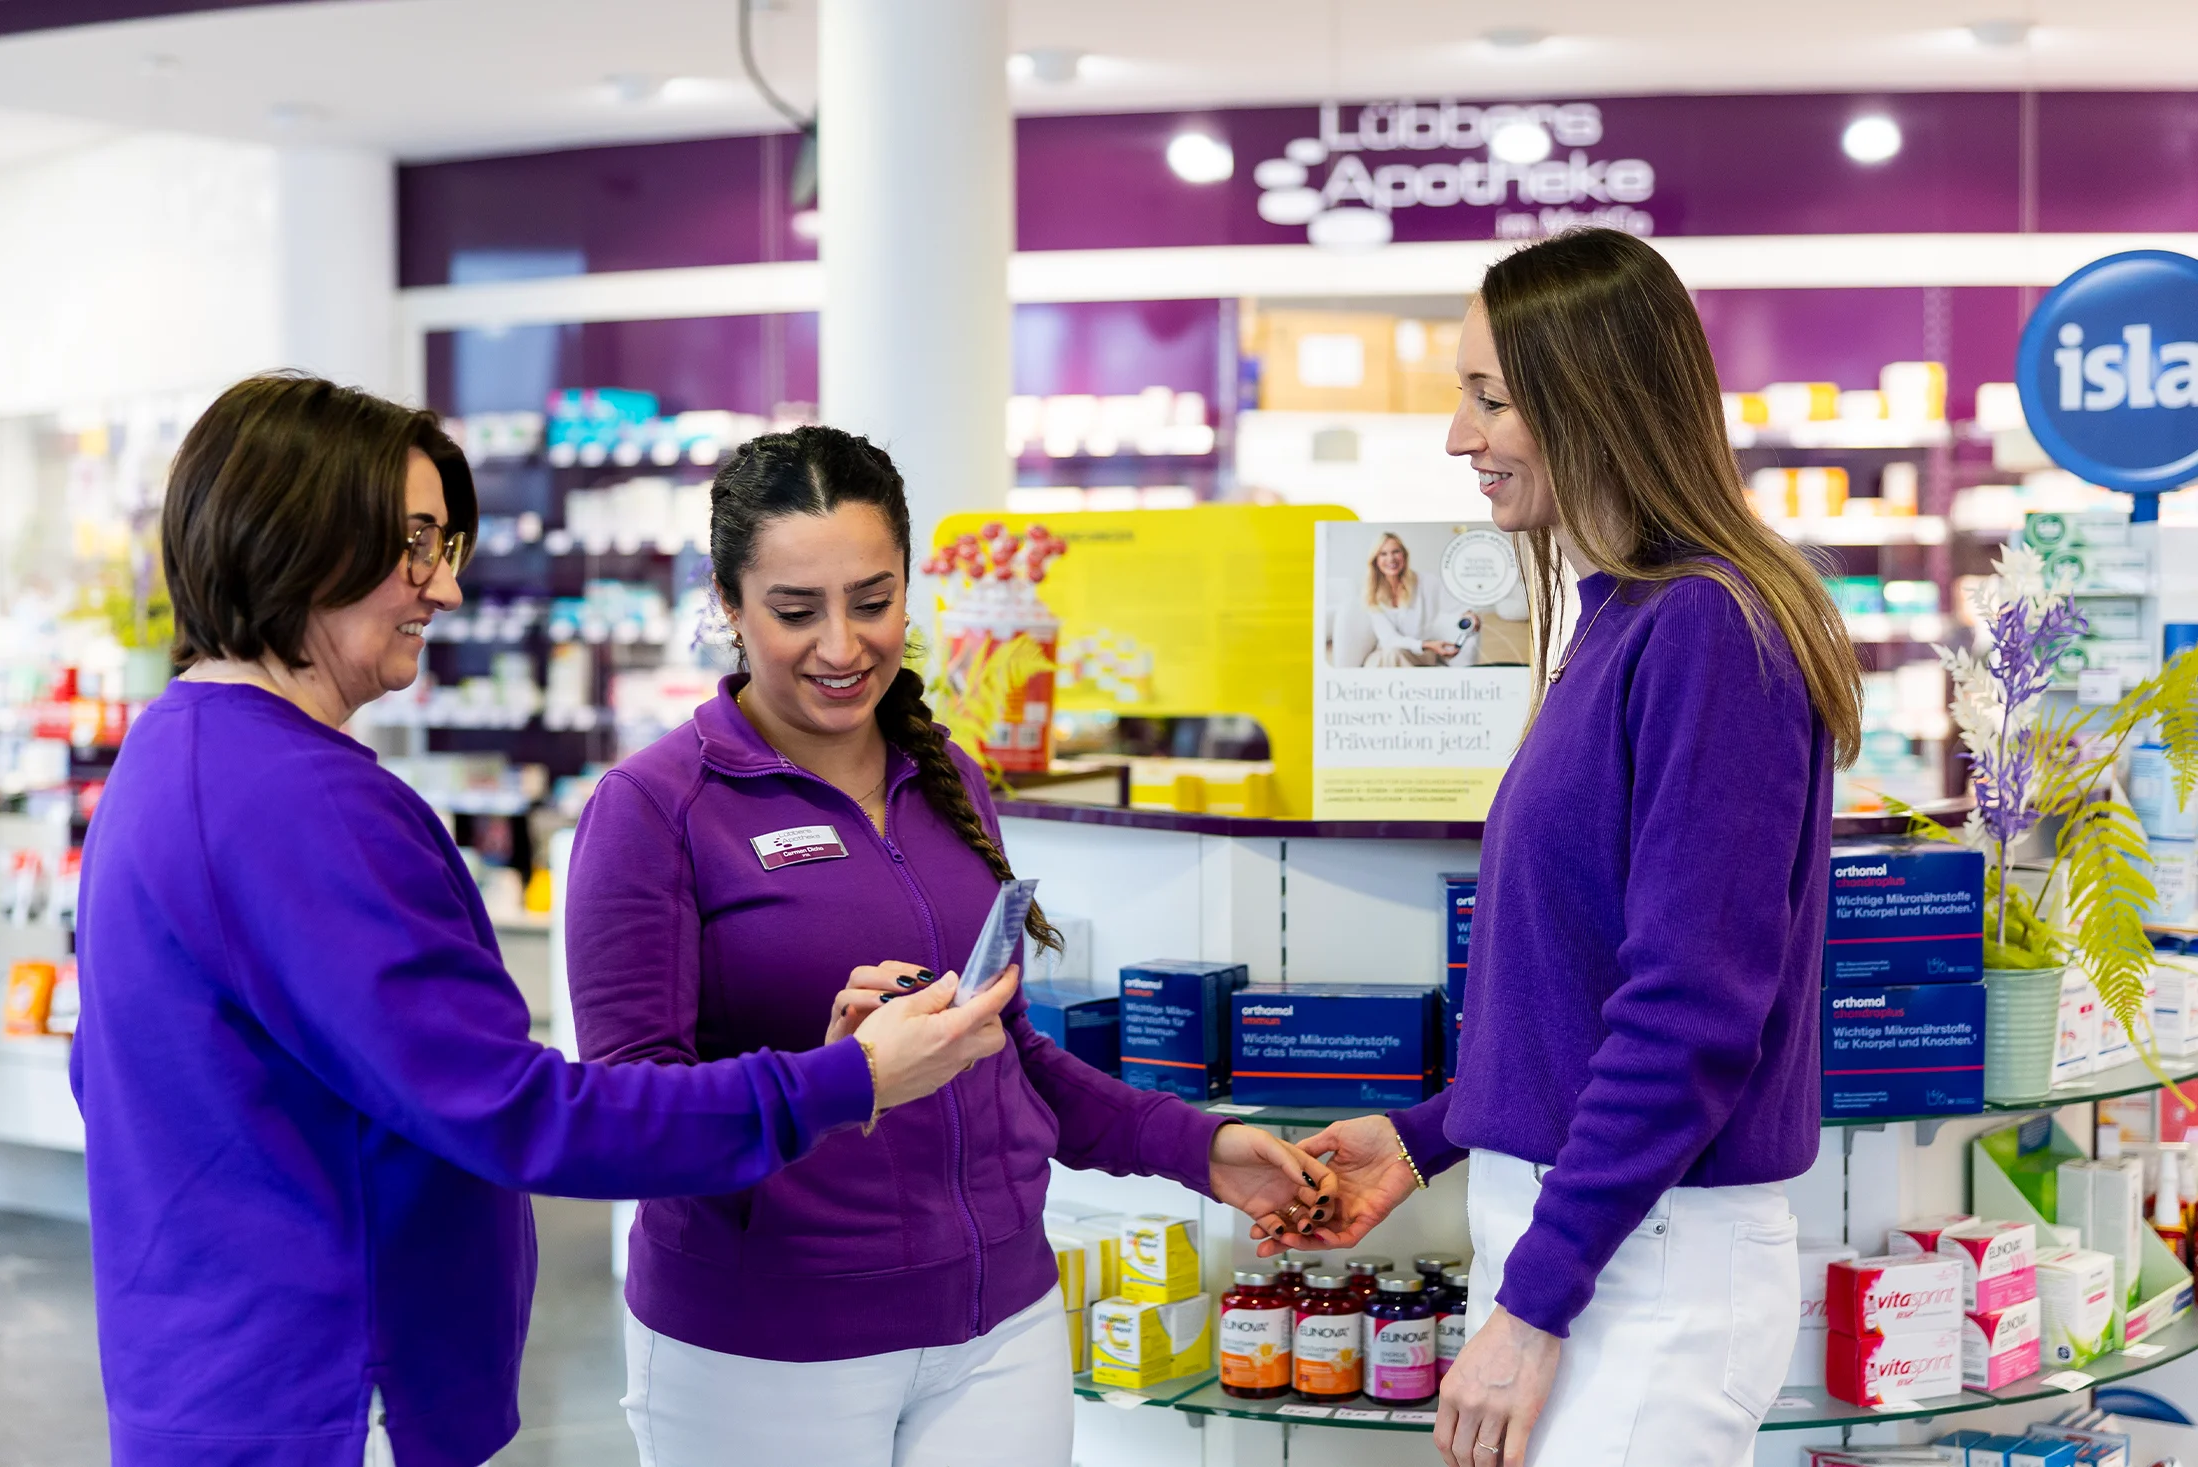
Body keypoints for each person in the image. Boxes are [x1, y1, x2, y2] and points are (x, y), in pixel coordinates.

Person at [71, 375, 1022, 1467]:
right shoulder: (302, 802)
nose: (444, 587)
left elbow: (110, 1077)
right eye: (415, 542)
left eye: (448, 543)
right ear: (297, 536)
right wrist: (841, 1080)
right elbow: (522, 1115)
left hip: (226, 1378)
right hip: (331, 1397)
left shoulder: (173, 756)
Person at [562, 425, 1337, 1467]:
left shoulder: (947, 778)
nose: (841, 647)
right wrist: (842, 1075)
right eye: (795, 611)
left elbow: (1006, 1051)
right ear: (729, 605)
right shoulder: (654, 809)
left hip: (1001, 1329)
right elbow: (628, 1121)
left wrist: (1195, 1146)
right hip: (769, 1352)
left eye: (872, 601)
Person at [1290, 229, 1862, 1467]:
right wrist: (1434, 1130)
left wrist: (1533, 1305)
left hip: (1644, 1264)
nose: (1459, 436)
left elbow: (1689, 1012)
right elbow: (1586, 981)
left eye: (1488, 397)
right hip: (1600, 1233)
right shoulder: (1626, 618)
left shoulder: (1708, 629)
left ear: (1590, 398)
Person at [1362, 532, 1468, 667]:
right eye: (1383, 554)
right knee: (1376, 662)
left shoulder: (1425, 582)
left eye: (1396, 552)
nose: (1391, 559)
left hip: (1422, 652)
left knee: (1391, 657)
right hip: (1388, 650)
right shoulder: (1373, 594)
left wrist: (1468, 614)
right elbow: (1388, 638)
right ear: (1376, 560)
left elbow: (1453, 602)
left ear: (1404, 555)